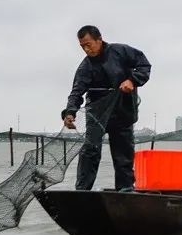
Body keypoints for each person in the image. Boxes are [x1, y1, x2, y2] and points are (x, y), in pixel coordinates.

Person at [62, 25, 152, 191]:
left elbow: (144, 65)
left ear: (99, 39)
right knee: (90, 150)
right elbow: (76, 92)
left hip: (123, 111)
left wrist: (132, 80)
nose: (86, 49)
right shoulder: (85, 67)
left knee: (123, 153)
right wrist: (70, 112)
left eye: (89, 44)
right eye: (82, 46)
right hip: (97, 114)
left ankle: (125, 189)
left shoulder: (120, 52)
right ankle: (82, 190)